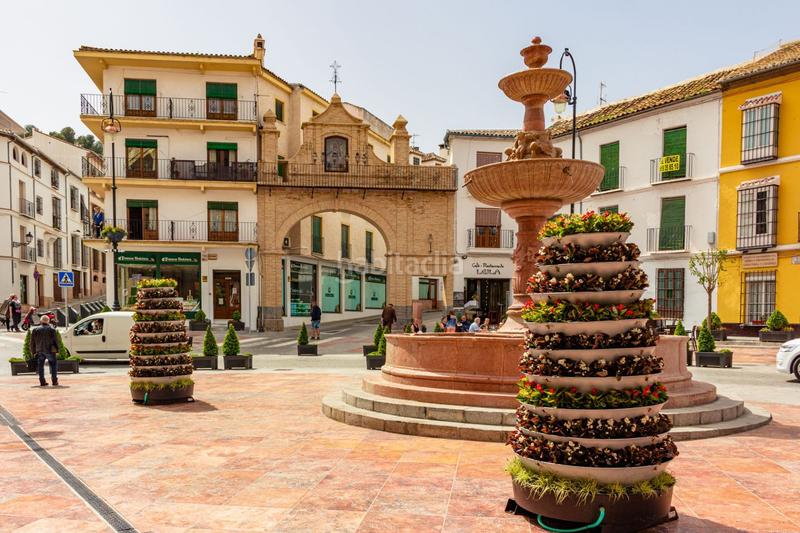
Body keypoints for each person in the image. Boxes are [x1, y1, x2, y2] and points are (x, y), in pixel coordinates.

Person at [32, 315, 59, 386]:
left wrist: (33, 351)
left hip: (39, 350)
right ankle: (54, 381)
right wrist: (57, 350)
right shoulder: (52, 329)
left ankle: (42, 381)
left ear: (41, 321)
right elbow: (56, 341)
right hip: (50, 350)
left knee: (40, 366)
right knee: (53, 365)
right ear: (48, 321)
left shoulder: (35, 330)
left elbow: (32, 342)